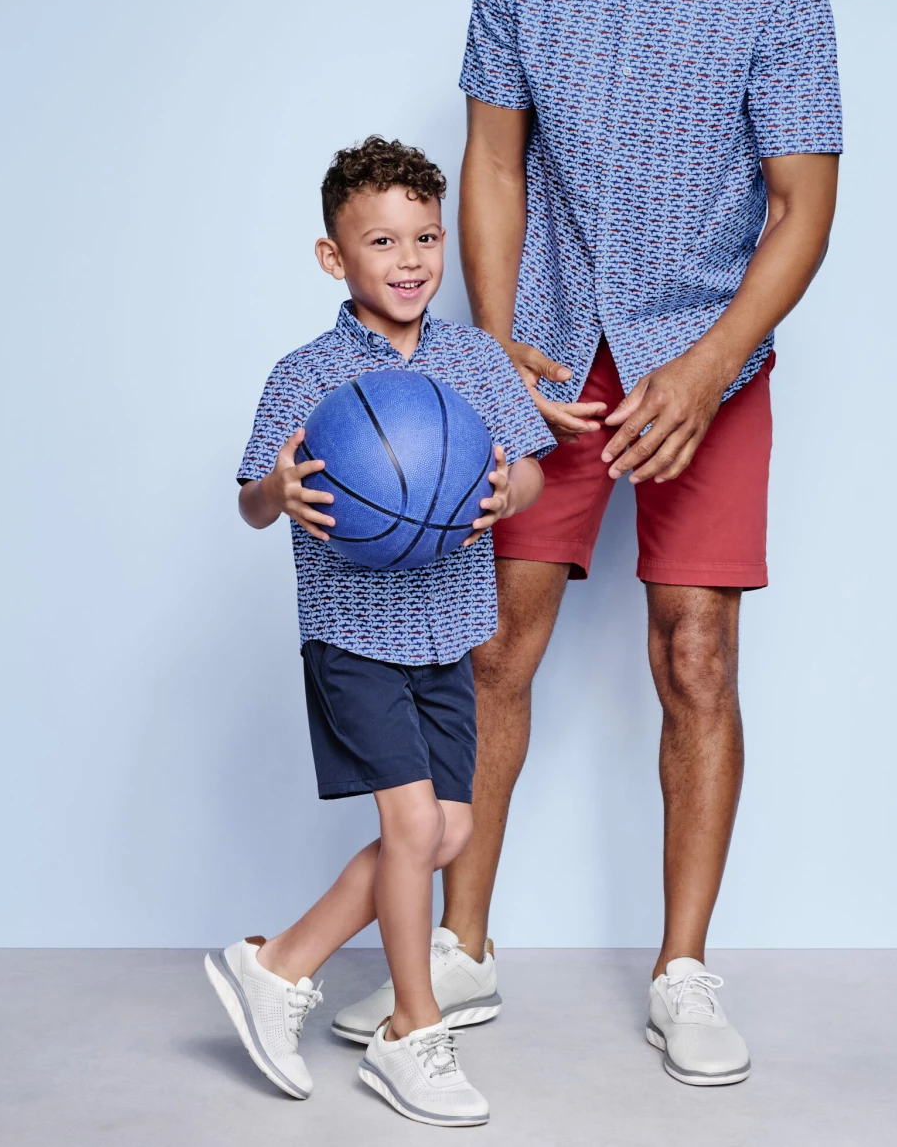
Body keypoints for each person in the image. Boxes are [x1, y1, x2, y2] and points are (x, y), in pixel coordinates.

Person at [332, 0, 842, 1088]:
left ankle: (683, 969)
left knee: (697, 658)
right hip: (553, 355)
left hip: (708, 358)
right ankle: (462, 947)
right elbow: (492, 163)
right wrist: (499, 347)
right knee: (495, 647)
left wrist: (708, 366)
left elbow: (803, 209)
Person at [205, 136, 553, 1127]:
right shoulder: (306, 374)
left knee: (449, 829)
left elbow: (529, 468)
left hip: (450, 630)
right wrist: (278, 491)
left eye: (426, 238)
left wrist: (507, 490)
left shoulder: (476, 359)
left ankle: (277, 966)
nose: (410, 260)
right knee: (411, 827)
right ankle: (413, 1028)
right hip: (353, 635)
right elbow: (251, 499)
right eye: (383, 241)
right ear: (334, 256)